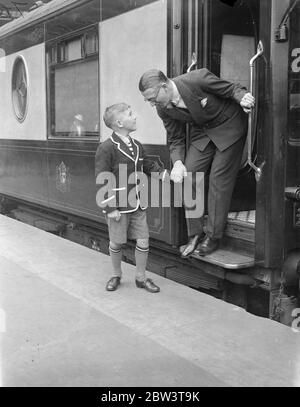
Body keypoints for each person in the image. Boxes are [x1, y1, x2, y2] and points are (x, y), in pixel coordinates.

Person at [139, 68, 255, 257]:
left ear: (164, 86)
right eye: (148, 100)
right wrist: (177, 163)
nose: (151, 104)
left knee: (219, 178)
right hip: (202, 132)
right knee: (189, 177)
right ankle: (195, 233)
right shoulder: (163, 108)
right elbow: (176, 138)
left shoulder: (197, 78)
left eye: (152, 98)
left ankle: (213, 237)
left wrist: (243, 97)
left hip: (229, 126)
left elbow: (231, 89)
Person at [95, 103, 165, 293]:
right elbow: (102, 178)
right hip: (118, 206)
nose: (135, 117)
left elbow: (147, 165)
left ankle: (141, 278)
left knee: (143, 241)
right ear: (119, 122)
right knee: (117, 242)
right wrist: (110, 208)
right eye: (130, 114)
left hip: (137, 203)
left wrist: (165, 175)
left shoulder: (137, 145)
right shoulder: (106, 147)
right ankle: (116, 274)